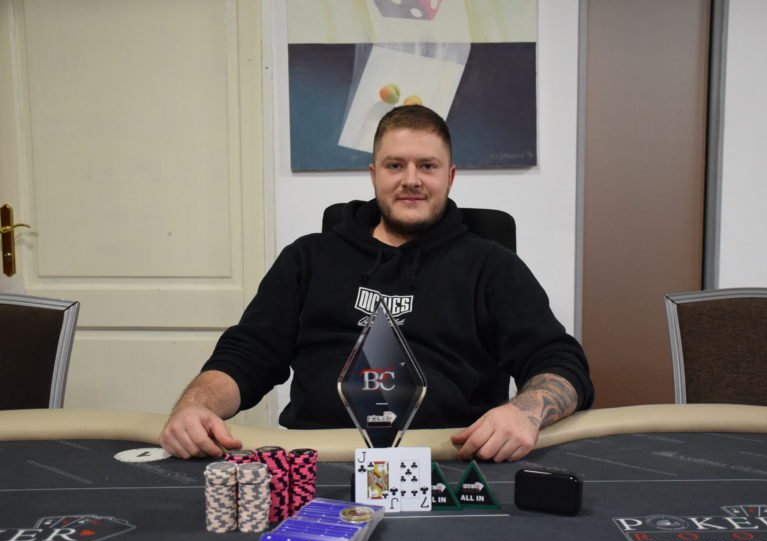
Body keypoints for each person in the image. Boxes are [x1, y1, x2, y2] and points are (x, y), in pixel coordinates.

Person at [159, 105, 593, 462]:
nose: (411, 179)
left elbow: (560, 362)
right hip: (321, 460)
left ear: (450, 176)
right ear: (373, 174)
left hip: (451, 461)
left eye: (427, 166)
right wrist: (195, 407)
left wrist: (524, 412)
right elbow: (247, 356)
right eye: (395, 165)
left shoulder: (492, 266)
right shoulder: (307, 258)